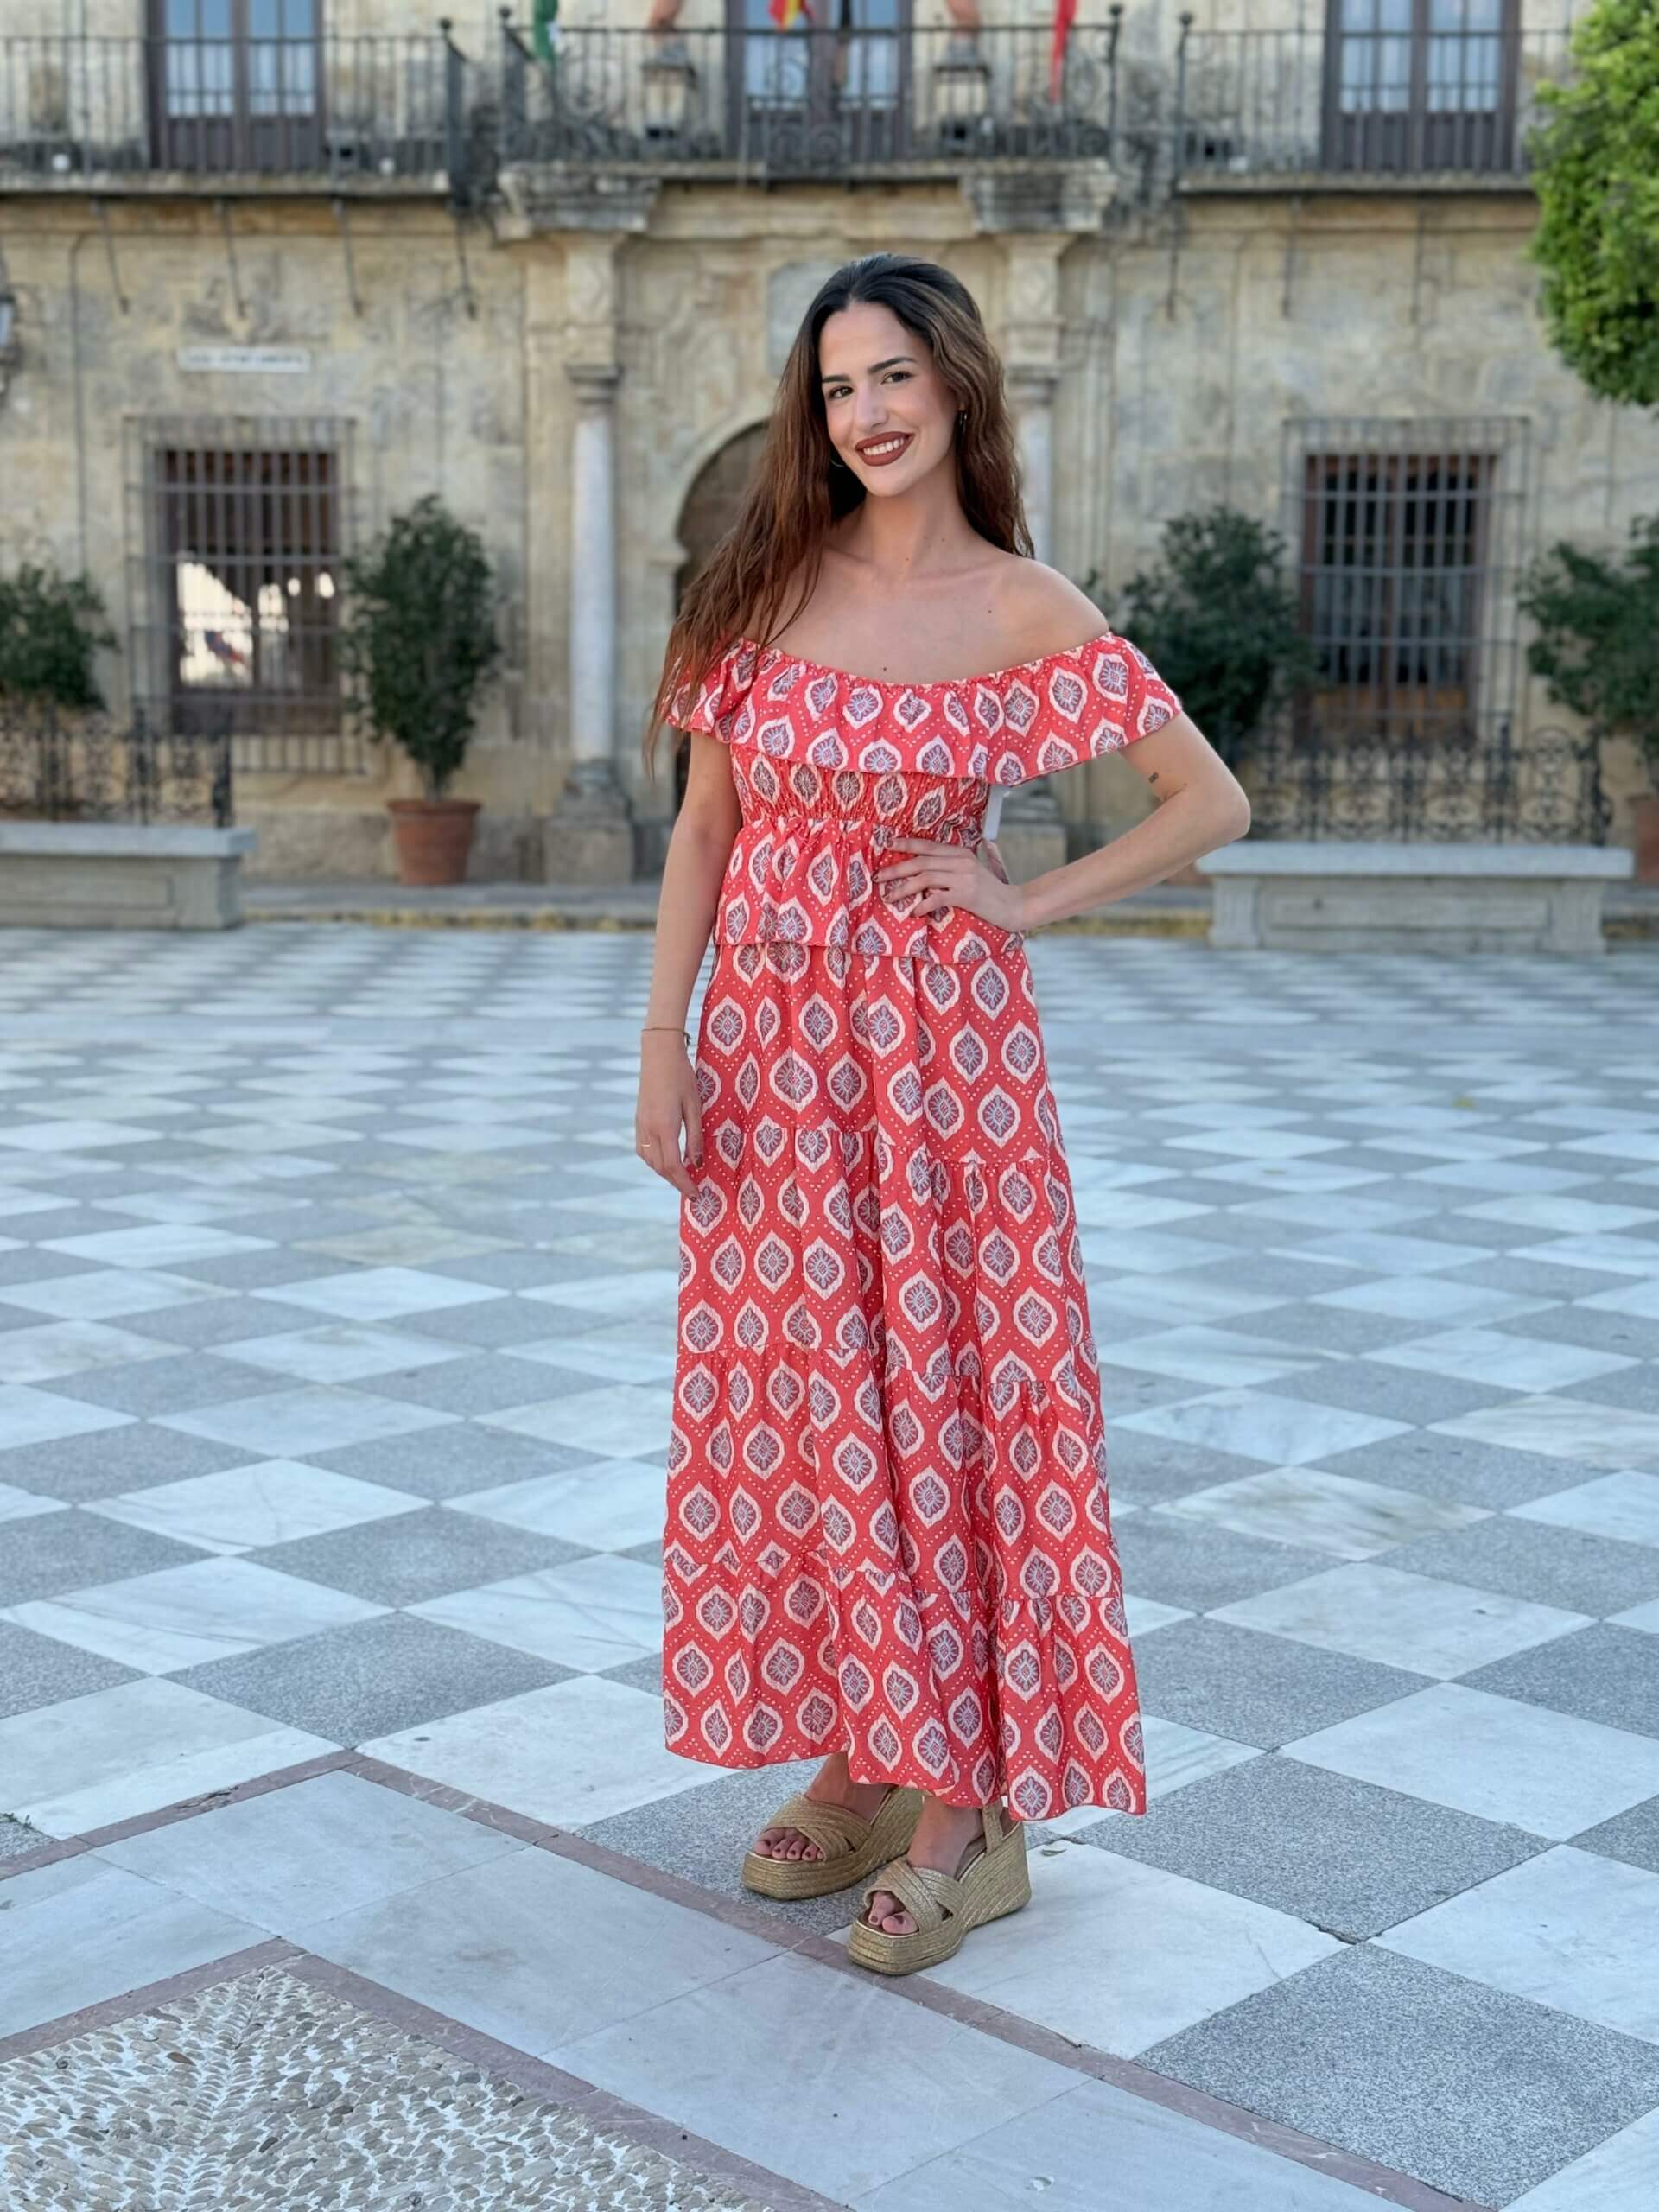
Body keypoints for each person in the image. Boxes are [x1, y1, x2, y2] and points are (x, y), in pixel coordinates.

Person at [634, 251, 1250, 1976]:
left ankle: (969, 1813)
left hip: (942, 1071)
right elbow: (704, 831)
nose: (868, 413)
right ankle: (862, 1737)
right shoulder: (759, 586)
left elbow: (1209, 799)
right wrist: (663, 1038)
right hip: (770, 1061)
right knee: (814, 1391)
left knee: (951, 1397)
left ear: (958, 386)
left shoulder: (1021, 607)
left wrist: (1021, 895)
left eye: (894, 375)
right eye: (837, 386)